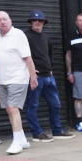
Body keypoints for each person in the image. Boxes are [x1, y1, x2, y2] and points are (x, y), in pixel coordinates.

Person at [0, 11, 38, 156]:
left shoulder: (19, 35)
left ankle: (16, 142)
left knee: (12, 107)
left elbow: (28, 58)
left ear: (10, 20)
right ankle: (22, 139)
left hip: (18, 78)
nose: (2, 22)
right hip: (2, 79)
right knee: (9, 109)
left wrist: (33, 77)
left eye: (5, 19)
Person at [22, 10, 72, 141]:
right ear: (31, 22)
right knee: (33, 105)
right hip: (35, 77)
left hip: (49, 76)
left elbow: (50, 55)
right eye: (35, 20)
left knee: (55, 104)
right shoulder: (25, 36)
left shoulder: (46, 36)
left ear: (44, 22)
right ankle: (37, 133)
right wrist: (30, 72)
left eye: (40, 21)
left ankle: (57, 130)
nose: (37, 22)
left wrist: (51, 69)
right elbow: (21, 56)